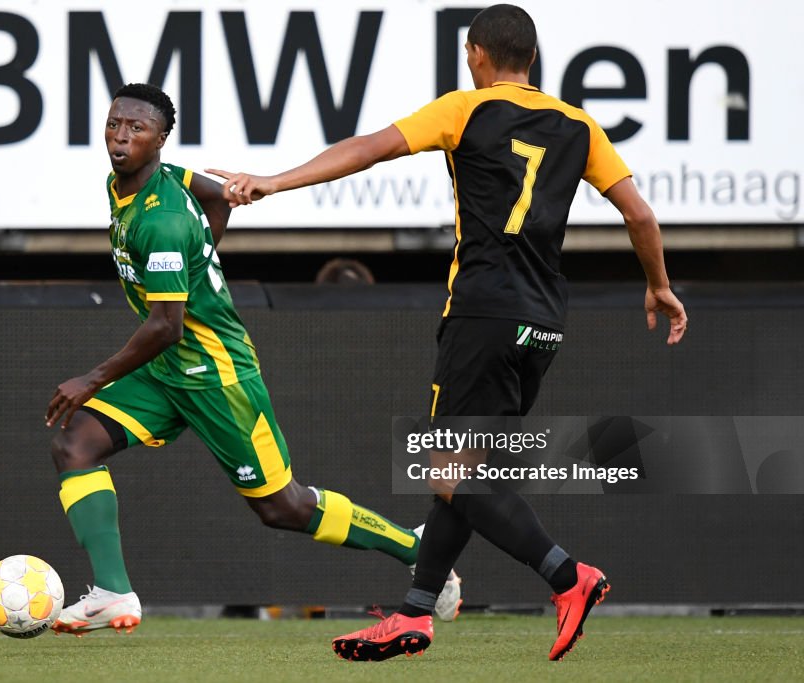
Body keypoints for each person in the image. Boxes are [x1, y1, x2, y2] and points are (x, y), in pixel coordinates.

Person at [207, 4, 687, 662]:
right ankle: (416, 612)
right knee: (465, 470)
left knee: (443, 469)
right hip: (543, 320)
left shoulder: (466, 109)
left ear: (477, 54)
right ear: (535, 60)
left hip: (483, 311)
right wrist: (658, 284)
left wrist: (274, 182)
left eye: (470, 54)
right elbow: (638, 211)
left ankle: (567, 575)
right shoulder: (581, 126)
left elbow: (367, 149)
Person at [44, 83, 462, 636]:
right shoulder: (144, 180)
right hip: (170, 372)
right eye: (115, 124)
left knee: (283, 508)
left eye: (137, 129)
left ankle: (418, 548)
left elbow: (166, 327)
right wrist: (204, 252)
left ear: (160, 140)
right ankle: (114, 593)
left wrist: (91, 378)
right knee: (75, 444)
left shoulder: (162, 218)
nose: (122, 138)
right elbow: (217, 194)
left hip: (216, 374)